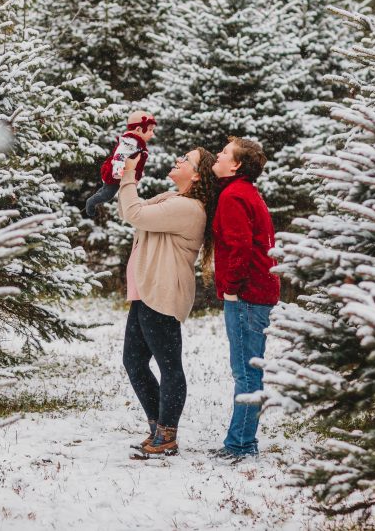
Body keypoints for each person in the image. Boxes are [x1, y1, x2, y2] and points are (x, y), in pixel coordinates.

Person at [118, 146, 218, 458]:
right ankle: (157, 427)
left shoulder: (188, 208)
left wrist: (129, 175)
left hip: (163, 292)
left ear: (198, 175)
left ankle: (167, 434)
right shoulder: (173, 199)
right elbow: (138, 213)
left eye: (186, 159)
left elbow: (133, 213)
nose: (178, 159)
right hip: (146, 292)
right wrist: (128, 175)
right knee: (133, 361)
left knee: (169, 365)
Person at [208, 137, 280, 464]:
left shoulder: (233, 195)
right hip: (257, 291)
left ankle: (241, 444)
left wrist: (232, 287)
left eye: (224, 153)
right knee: (248, 368)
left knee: (246, 370)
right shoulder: (245, 193)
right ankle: (241, 439)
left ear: (236, 165)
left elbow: (239, 248)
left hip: (247, 294)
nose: (219, 155)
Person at [85, 110, 156, 218]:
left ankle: (97, 195)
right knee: (108, 194)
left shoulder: (136, 142)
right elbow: (119, 155)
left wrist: (137, 175)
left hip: (122, 173)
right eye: (150, 130)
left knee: (106, 190)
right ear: (138, 129)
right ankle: (91, 202)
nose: (152, 133)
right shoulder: (130, 142)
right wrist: (118, 172)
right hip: (117, 173)